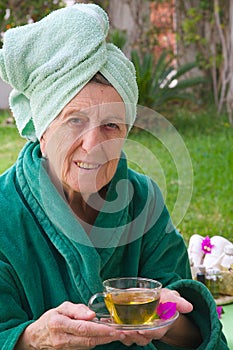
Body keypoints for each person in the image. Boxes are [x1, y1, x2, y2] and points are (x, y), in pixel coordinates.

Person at [0, 3, 229, 350]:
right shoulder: (4, 214)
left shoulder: (143, 200)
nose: (94, 146)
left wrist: (164, 317)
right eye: (74, 120)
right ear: (43, 131)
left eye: (111, 125)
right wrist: (33, 339)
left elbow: (194, 332)